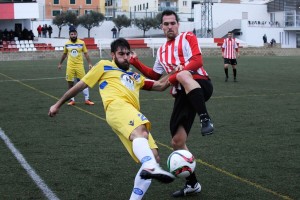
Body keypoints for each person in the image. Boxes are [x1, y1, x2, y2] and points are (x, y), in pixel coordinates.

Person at [49, 38, 175, 200]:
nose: (125, 57)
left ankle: (139, 188)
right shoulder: (103, 66)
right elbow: (80, 85)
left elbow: (159, 85)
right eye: (121, 54)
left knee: (154, 156)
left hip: (130, 114)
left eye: (127, 54)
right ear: (113, 55)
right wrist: (58, 104)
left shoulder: (135, 76)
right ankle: (150, 167)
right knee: (142, 134)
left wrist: (176, 73)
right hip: (116, 107)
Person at [130, 10, 214, 197]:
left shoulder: (187, 37)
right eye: (166, 24)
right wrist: (134, 61)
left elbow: (198, 59)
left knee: (183, 74)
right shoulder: (161, 51)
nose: (169, 26)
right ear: (162, 27)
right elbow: (154, 75)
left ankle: (205, 118)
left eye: (172, 23)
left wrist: (179, 72)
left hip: (200, 83)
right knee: (177, 142)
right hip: (182, 95)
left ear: (178, 24)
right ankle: (192, 184)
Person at [58, 28, 95, 106]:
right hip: (70, 66)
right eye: (72, 34)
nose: (73, 35)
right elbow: (64, 54)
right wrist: (60, 63)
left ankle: (87, 99)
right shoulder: (67, 44)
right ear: (69, 35)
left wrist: (89, 63)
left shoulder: (82, 43)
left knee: (84, 82)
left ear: (77, 34)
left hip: (79, 66)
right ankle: (72, 100)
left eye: (75, 34)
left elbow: (86, 53)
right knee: (70, 83)